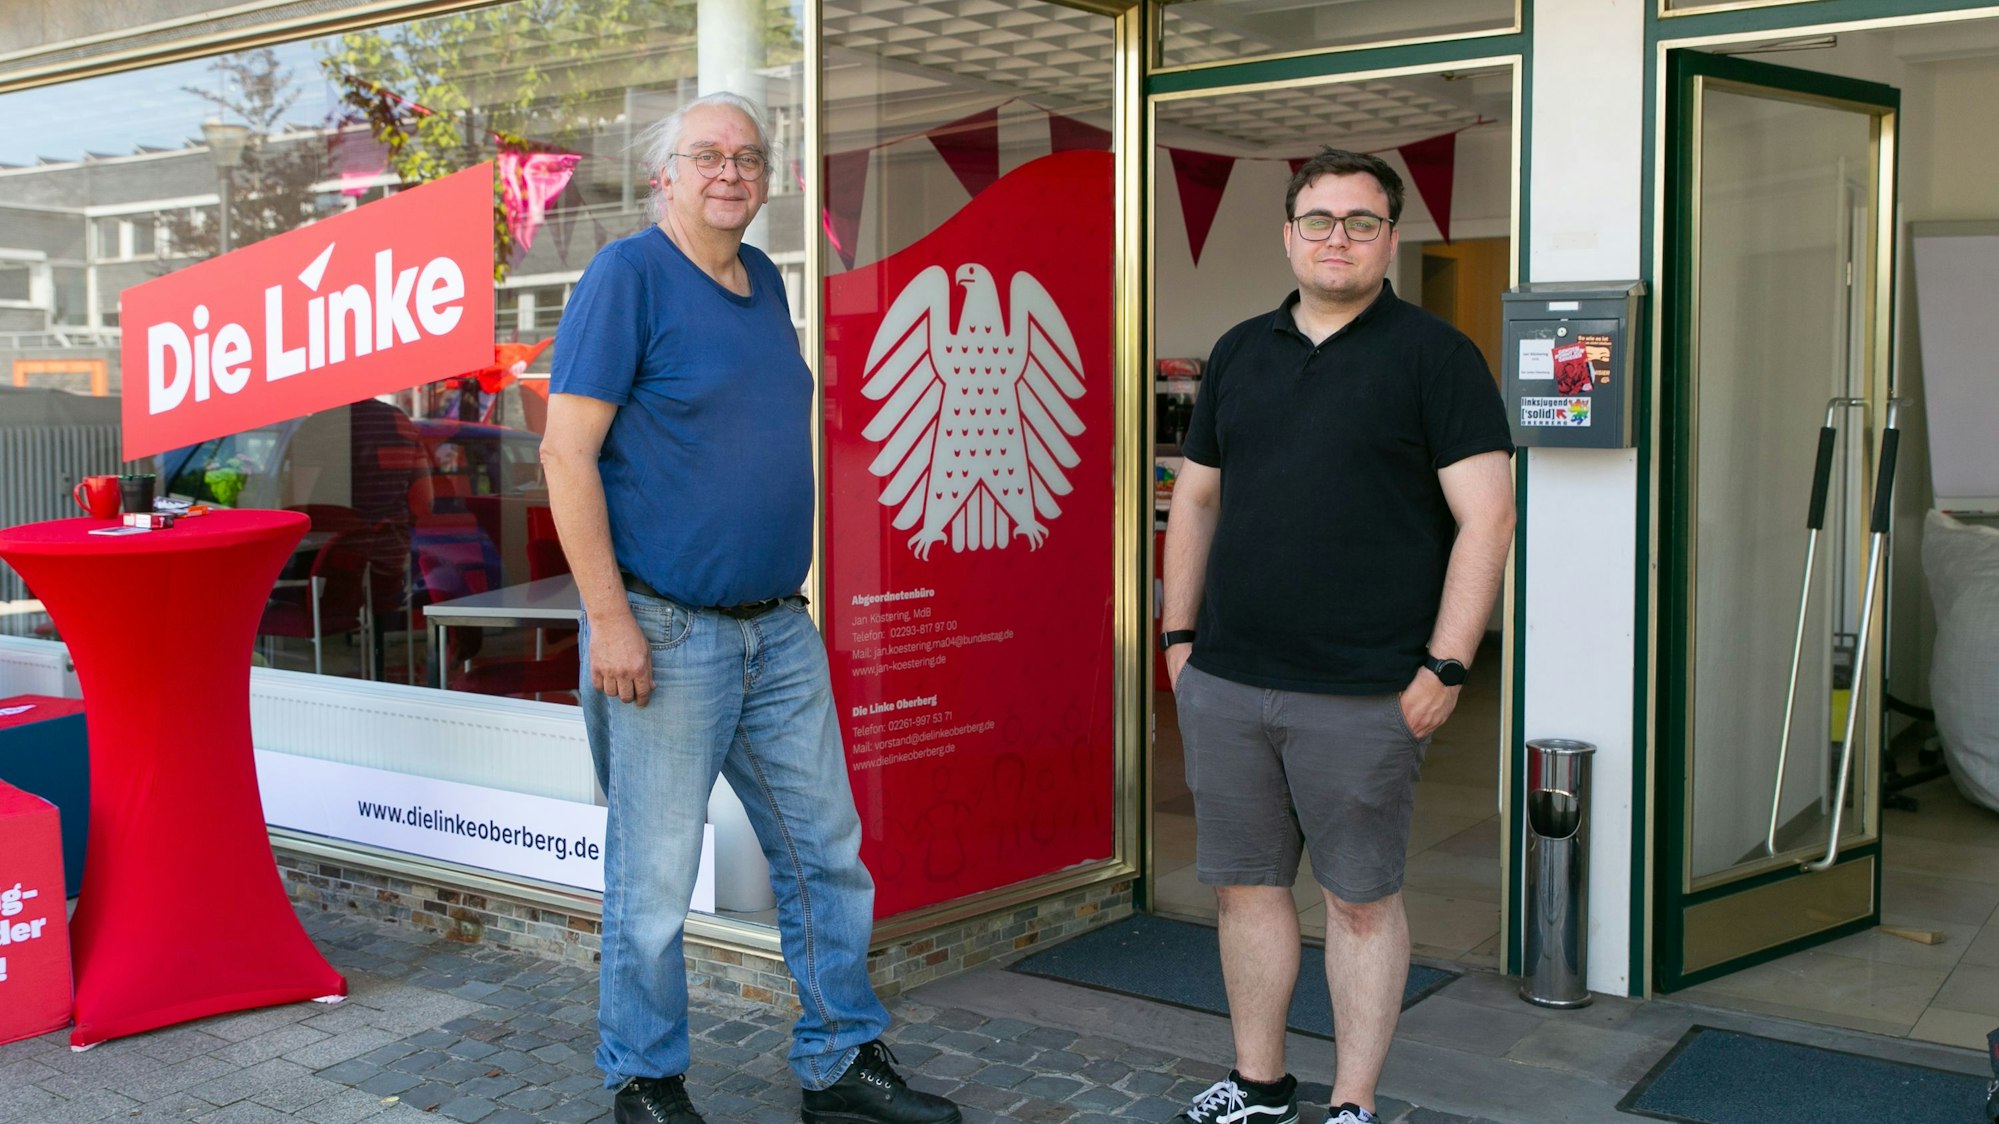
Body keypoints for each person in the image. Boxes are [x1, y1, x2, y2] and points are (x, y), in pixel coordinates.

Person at [541, 91, 962, 1124]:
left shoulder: (764, 278)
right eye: (708, 155)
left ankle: (839, 1058)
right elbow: (566, 453)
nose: (731, 171)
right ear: (665, 175)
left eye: (748, 156)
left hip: (778, 628)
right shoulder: (626, 276)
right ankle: (644, 1078)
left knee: (825, 853)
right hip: (666, 629)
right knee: (653, 881)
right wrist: (612, 619)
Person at [1160, 148, 1516, 1124]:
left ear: (1390, 238)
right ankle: (1261, 1082)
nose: (1337, 239)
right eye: (1318, 220)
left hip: (1365, 685)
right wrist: (1178, 636)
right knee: (1245, 889)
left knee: (1358, 900)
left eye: (1361, 221)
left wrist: (1447, 662)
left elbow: (1489, 517)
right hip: (1229, 675)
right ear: (1287, 233)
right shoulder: (1238, 350)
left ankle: (1353, 1101)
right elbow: (1195, 495)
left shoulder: (1435, 357)